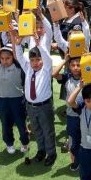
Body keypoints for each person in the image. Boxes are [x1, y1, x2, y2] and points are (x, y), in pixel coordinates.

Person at [12, 29, 57, 166]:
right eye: (32, 60)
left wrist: (39, 45)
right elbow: (19, 56)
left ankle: (51, 153)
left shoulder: (46, 69)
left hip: (44, 106)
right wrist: (18, 43)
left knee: (47, 130)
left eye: (38, 59)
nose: (35, 63)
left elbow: (47, 58)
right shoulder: (28, 69)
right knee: (36, 130)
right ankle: (41, 150)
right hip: (30, 106)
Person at [0, 37, 29, 155]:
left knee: (20, 123)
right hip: (3, 101)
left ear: (13, 57)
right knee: (5, 123)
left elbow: (16, 49)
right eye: (2, 58)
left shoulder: (18, 66)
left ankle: (24, 142)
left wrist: (12, 34)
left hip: (17, 100)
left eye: (8, 58)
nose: (4, 61)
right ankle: (9, 143)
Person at [53, 54, 82, 170]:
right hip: (72, 116)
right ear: (69, 66)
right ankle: (76, 161)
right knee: (73, 141)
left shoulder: (87, 76)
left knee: (86, 140)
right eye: (73, 65)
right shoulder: (67, 77)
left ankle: (89, 162)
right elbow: (54, 74)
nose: (75, 67)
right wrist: (65, 60)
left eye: (78, 65)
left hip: (85, 116)